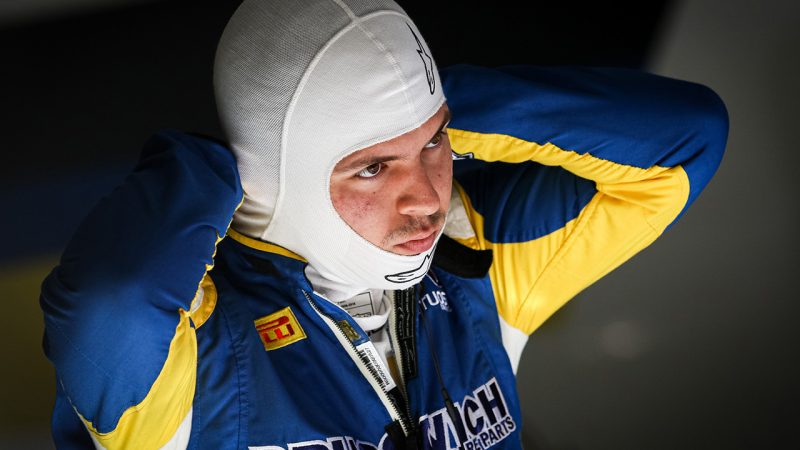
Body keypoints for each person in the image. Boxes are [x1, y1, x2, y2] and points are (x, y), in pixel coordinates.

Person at [39, 0, 728, 448]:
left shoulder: (474, 249)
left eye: (435, 144)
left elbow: (688, 135)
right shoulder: (190, 345)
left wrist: (434, 105)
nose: (426, 198)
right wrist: (208, 170)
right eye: (373, 167)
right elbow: (108, 300)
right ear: (276, 173)